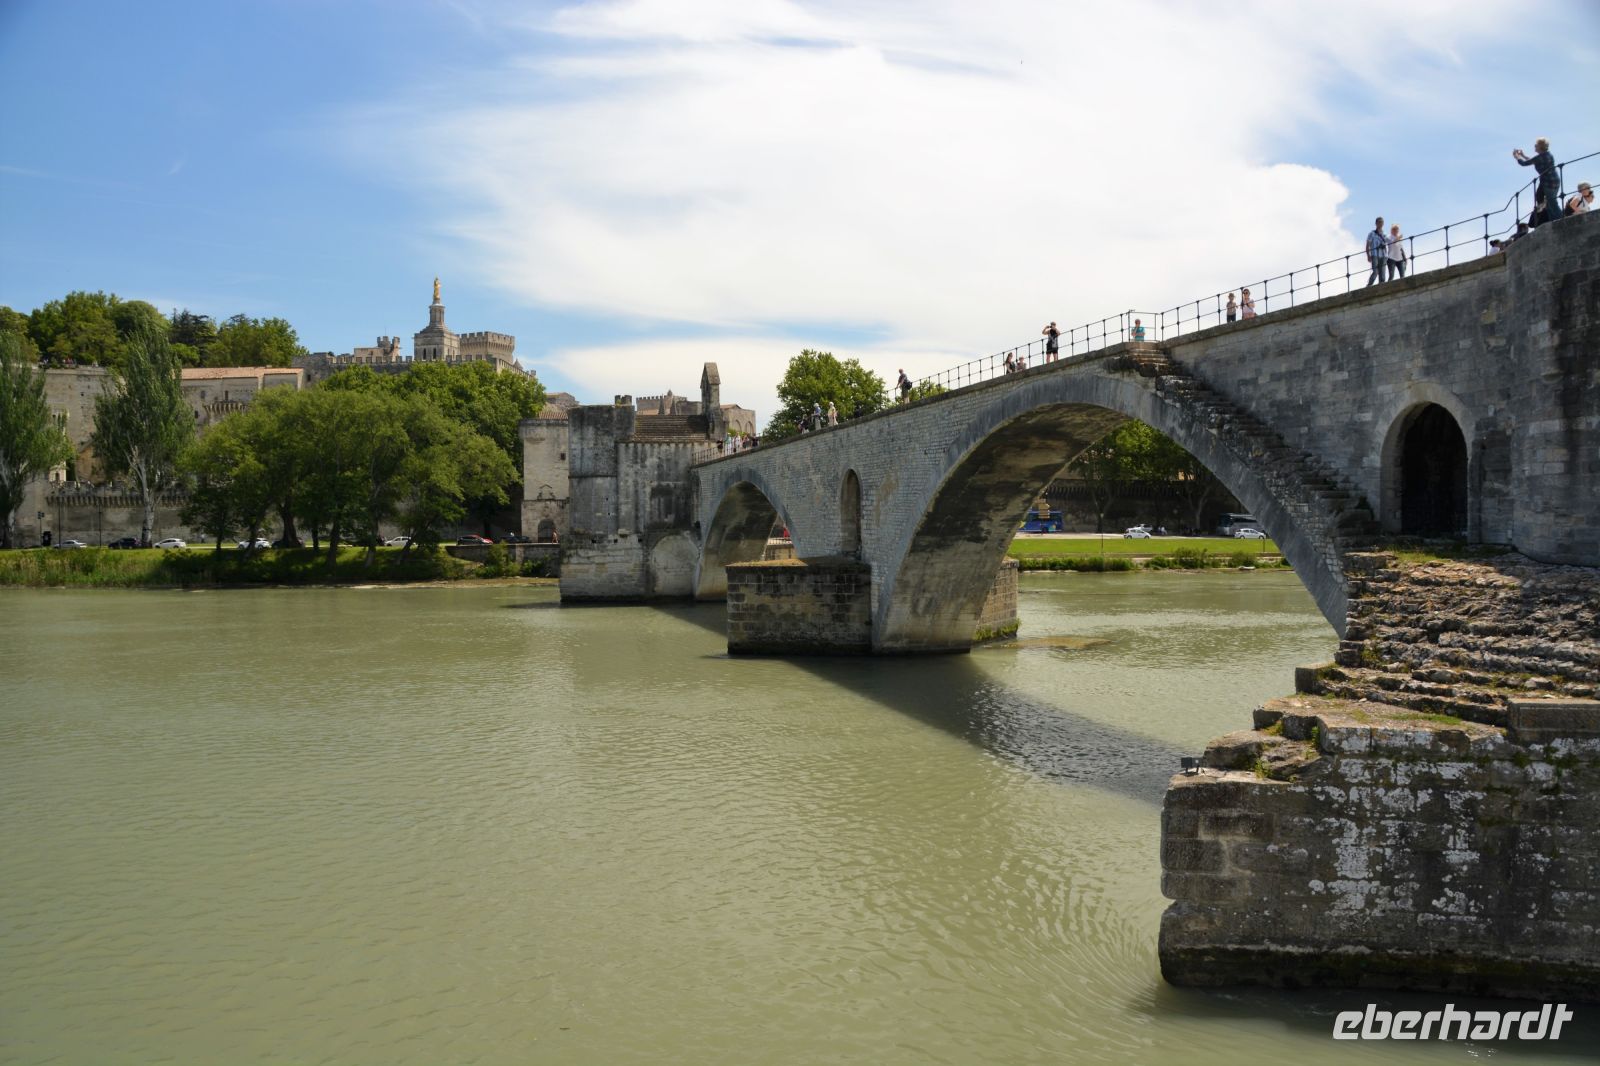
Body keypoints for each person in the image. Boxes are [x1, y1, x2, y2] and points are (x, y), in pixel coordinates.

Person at [1513, 139, 1561, 227]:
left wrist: (1517, 157)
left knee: (1551, 202)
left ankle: (1560, 219)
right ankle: (1551, 218)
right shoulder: (1546, 155)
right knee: (1545, 200)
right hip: (1552, 180)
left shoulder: (1541, 157)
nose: (1534, 146)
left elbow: (1524, 163)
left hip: (1548, 182)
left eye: (1536, 145)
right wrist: (1523, 155)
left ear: (1540, 147)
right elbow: (1534, 160)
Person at [1365, 216, 1387, 286]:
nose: (1380, 224)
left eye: (1382, 222)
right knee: (1375, 272)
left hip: (1383, 255)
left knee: (1382, 273)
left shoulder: (1384, 234)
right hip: (1374, 255)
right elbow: (1367, 245)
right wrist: (1368, 255)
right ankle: (1369, 285)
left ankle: (1382, 287)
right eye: (1379, 222)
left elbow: (1388, 243)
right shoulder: (1371, 233)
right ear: (1376, 223)